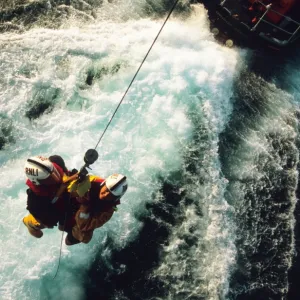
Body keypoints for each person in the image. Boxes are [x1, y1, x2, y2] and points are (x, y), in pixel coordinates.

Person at [22, 155, 78, 238]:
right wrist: (63, 188)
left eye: (53, 171)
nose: (55, 178)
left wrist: (68, 176)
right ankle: (31, 222)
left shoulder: (54, 162)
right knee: (50, 222)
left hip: (59, 194)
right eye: (49, 178)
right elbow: (51, 205)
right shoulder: (35, 201)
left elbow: (62, 170)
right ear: (36, 182)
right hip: (47, 208)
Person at [65, 173, 128, 246]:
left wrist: (85, 203)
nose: (105, 195)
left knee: (68, 241)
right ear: (103, 183)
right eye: (106, 190)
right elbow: (69, 190)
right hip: (73, 208)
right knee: (61, 226)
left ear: (115, 198)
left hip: (81, 224)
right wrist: (76, 182)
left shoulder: (108, 211)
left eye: (111, 195)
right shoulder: (91, 181)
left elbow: (84, 225)